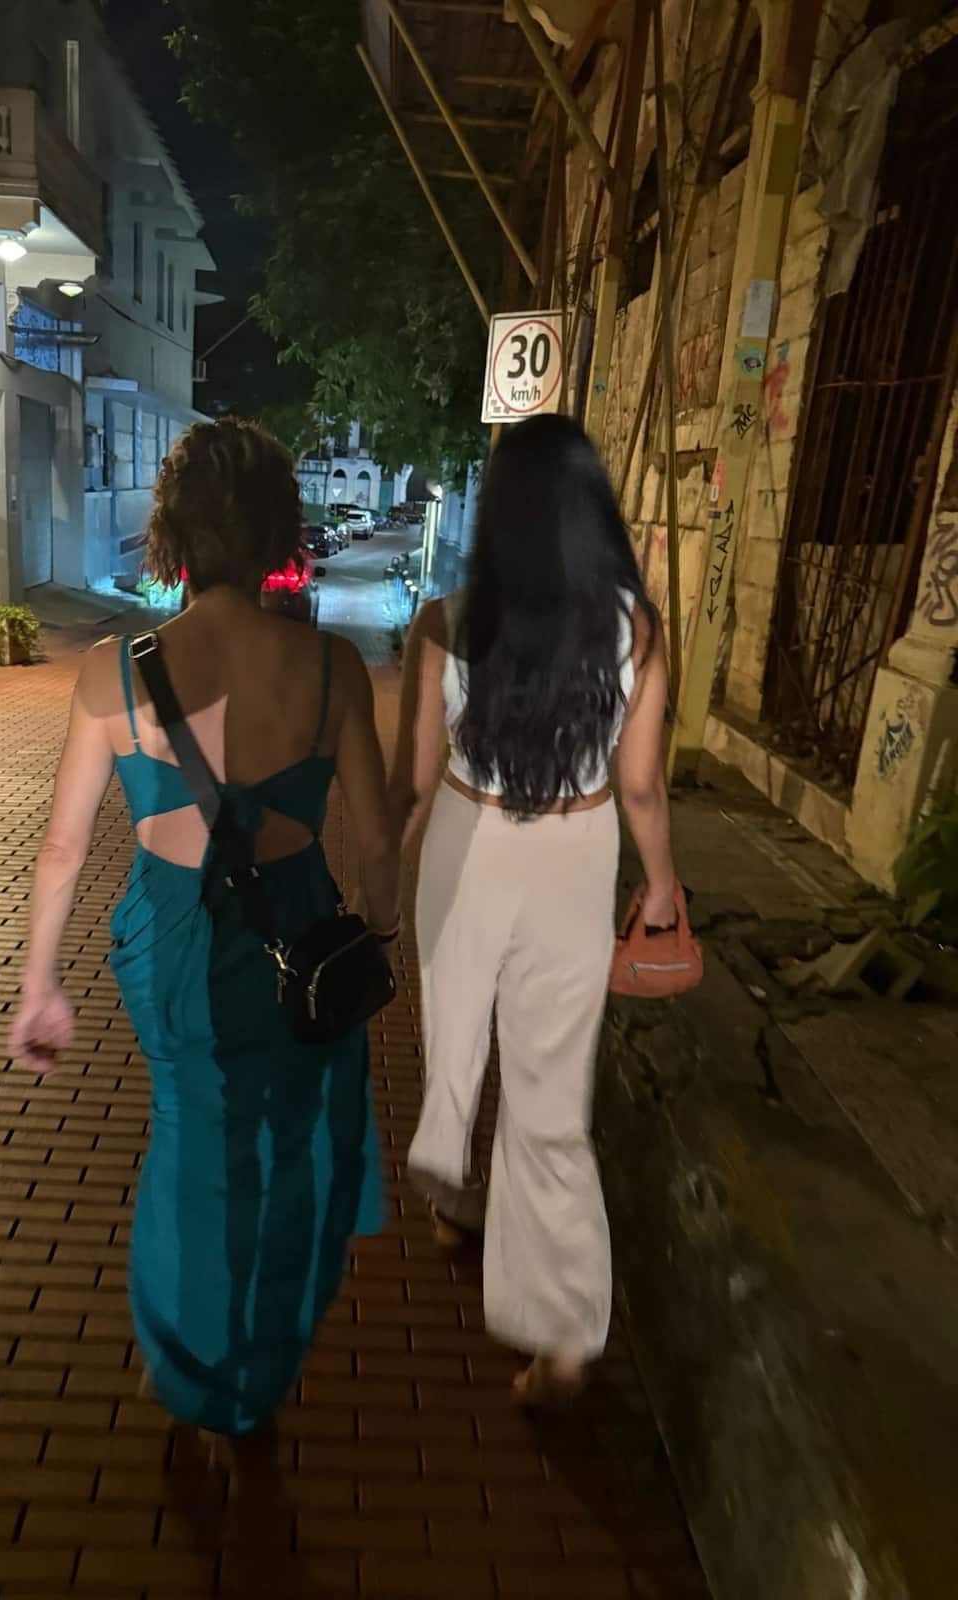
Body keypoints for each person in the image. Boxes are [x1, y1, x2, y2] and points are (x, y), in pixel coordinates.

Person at [10, 418, 398, 1437]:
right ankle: (257, 1368)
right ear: (279, 526)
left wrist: (38, 983)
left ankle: (186, 1364)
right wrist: (377, 934)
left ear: (172, 529)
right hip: (298, 936)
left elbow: (60, 850)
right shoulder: (331, 669)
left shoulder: (111, 670)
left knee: (189, 1143)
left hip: (172, 939)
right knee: (286, 1150)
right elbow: (380, 843)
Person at [390, 413, 677, 1406]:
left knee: (457, 1042)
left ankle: (450, 1197)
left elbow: (417, 780)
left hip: (467, 849)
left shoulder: (447, 621)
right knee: (553, 1101)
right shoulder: (637, 628)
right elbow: (640, 787)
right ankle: (560, 1340)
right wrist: (666, 881)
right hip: (576, 855)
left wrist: (393, 874)